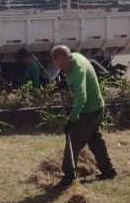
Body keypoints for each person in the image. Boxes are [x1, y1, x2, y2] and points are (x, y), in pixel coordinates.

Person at [50, 45, 116, 189]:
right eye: (58, 65)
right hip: (96, 107)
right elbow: (73, 81)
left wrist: (71, 118)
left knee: (73, 141)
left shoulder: (78, 68)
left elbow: (81, 98)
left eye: (62, 65)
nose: (62, 68)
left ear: (68, 58)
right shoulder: (72, 59)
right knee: (95, 140)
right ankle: (108, 170)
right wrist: (65, 84)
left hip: (90, 111)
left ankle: (68, 177)